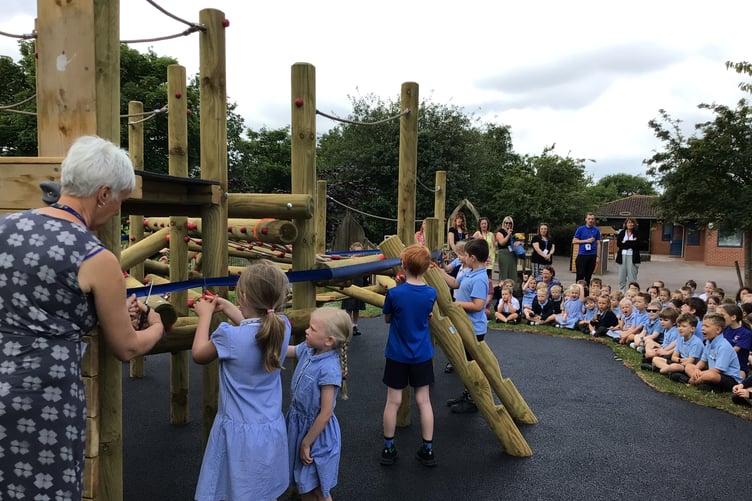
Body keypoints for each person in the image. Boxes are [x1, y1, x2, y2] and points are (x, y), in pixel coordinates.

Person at [0, 135, 165, 501]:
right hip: (46, 398)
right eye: (120, 199)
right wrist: (157, 327)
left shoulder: (5, 228)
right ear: (104, 194)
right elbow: (125, 347)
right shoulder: (95, 256)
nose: (117, 209)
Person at [191, 260, 291, 500]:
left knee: (236, 489)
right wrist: (227, 308)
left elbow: (198, 354)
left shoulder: (228, 336)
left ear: (243, 297)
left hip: (239, 435)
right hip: (270, 429)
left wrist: (204, 316)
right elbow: (256, 329)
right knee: (263, 489)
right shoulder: (283, 327)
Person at [286, 308, 352, 501]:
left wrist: (307, 442)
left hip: (317, 435)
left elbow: (325, 413)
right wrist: (268, 345)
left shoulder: (329, 368)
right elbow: (289, 351)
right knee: (304, 486)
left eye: (312, 329)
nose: (307, 331)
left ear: (329, 340)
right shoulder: (309, 349)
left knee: (316, 488)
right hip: (298, 426)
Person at [381, 245, 438, 467]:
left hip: (397, 354)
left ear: (403, 266)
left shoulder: (394, 293)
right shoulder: (431, 293)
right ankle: (428, 449)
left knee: (393, 401)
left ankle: (388, 448)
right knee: (424, 401)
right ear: (426, 268)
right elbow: (427, 316)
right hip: (422, 354)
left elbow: (387, 319)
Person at [439, 238, 490, 414]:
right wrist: (438, 271)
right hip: (464, 325)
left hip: (474, 328)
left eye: (465, 255)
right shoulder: (468, 272)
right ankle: (469, 393)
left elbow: (478, 305)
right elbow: (455, 283)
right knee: (464, 363)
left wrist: (455, 305)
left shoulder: (481, 278)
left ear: (473, 258)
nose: (463, 258)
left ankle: (474, 400)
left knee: (471, 365)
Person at [681, 313, 742, 392]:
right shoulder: (708, 342)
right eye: (702, 325)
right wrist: (696, 369)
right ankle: (701, 382)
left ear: (718, 330)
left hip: (728, 378)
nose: (702, 328)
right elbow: (703, 361)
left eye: (706, 326)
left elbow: (718, 370)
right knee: (689, 366)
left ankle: (691, 381)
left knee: (710, 376)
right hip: (711, 371)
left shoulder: (724, 346)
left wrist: (701, 374)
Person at [341, 241, 369, 336]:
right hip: (349, 286)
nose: (359, 254)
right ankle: (348, 327)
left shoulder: (363, 261)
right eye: (357, 251)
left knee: (357, 308)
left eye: (360, 252)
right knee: (349, 307)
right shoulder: (348, 261)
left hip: (359, 285)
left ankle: (354, 325)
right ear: (352, 252)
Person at [717, 303, 752, 378]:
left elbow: (734, 350)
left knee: (737, 379)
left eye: (722, 315)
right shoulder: (724, 329)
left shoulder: (746, 333)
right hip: (721, 364)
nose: (720, 318)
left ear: (733, 317)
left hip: (738, 367)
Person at [572, 212, 601, 284]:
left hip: (592, 255)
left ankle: (586, 292)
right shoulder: (580, 229)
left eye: (592, 219)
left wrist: (598, 256)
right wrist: (586, 241)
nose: (590, 220)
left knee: (588, 276)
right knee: (580, 275)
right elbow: (574, 241)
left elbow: (598, 243)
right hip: (582, 255)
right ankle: (578, 291)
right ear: (586, 219)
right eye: (589, 219)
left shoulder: (596, 230)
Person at [615, 217, 642, 293]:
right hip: (622, 257)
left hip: (632, 257)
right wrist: (631, 243)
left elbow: (638, 245)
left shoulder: (637, 233)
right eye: (629, 222)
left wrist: (625, 242)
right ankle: (622, 293)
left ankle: (632, 293)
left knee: (632, 278)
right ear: (626, 224)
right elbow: (619, 244)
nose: (630, 224)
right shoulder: (622, 233)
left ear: (634, 224)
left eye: (632, 222)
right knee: (621, 278)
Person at [495, 215, 519, 282]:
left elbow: (516, 242)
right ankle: (503, 289)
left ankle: (513, 289)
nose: (508, 224)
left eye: (510, 223)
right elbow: (502, 243)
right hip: (504, 253)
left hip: (512, 254)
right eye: (506, 223)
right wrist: (508, 234)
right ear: (504, 223)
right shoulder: (500, 232)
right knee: (504, 272)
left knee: (512, 272)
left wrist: (519, 243)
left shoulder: (513, 232)